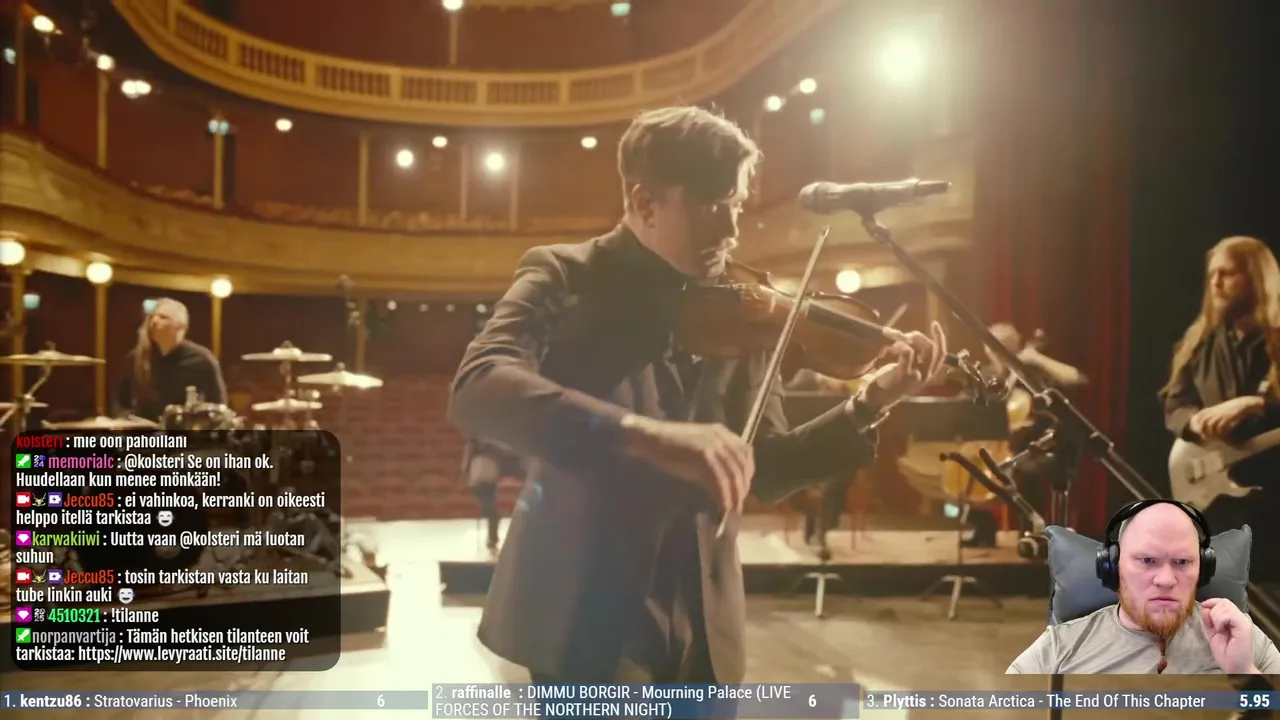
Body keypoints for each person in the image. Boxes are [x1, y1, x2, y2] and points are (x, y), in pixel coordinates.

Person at [449, 105, 948, 685]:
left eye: (737, 203)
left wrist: (869, 403)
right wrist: (644, 435)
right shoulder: (566, 276)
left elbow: (766, 467)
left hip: (705, 625)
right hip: (586, 615)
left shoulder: (745, 307)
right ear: (644, 202)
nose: (732, 229)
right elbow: (478, 385)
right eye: (713, 205)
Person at [1007, 500, 1280, 674]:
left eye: (1182, 562)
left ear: (1204, 569)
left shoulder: (1242, 639)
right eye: (1147, 560)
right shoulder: (1058, 650)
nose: (1166, 579)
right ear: (1113, 566)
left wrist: (1244, 674)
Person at [1161, 236, 1280, 584]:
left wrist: (1259, 404)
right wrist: (1194, 421)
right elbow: (1174, 404)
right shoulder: (1200, 341)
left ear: (1255, 277)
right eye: (1213, 274)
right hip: (1220, 498)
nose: (1215, 282)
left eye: (1227, 273)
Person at [114, 298, 226, 422]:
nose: (154, 321)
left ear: (181, 326)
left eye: (163, 317)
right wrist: (125, 419)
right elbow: (120, 401)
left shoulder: (202, 359)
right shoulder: (137, 357)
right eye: (153, 316)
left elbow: (218, 406)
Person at [461, 439, 526, 553]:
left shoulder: (493, 451)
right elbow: (466, 464)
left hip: (488, 480)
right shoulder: (476, 448)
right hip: (480, 481)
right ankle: (492, 539)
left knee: (491, 511)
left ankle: (493, 539)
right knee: (491, 511)